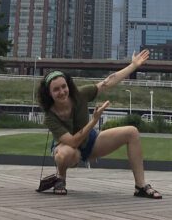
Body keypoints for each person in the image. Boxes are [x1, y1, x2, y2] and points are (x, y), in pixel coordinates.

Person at [38, 49, 162, 199]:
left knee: (132, 132)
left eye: (64, 86)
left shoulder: (80, 94)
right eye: (56, 89)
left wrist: (133, 65)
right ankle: (61, 178)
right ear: (49, 94)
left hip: (90, 142)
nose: (62, 91)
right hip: (68, 148)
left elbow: (107, 82)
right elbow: (72, 141)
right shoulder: (50, 116)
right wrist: (94, 121)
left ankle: (140, 186)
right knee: (66, 153)